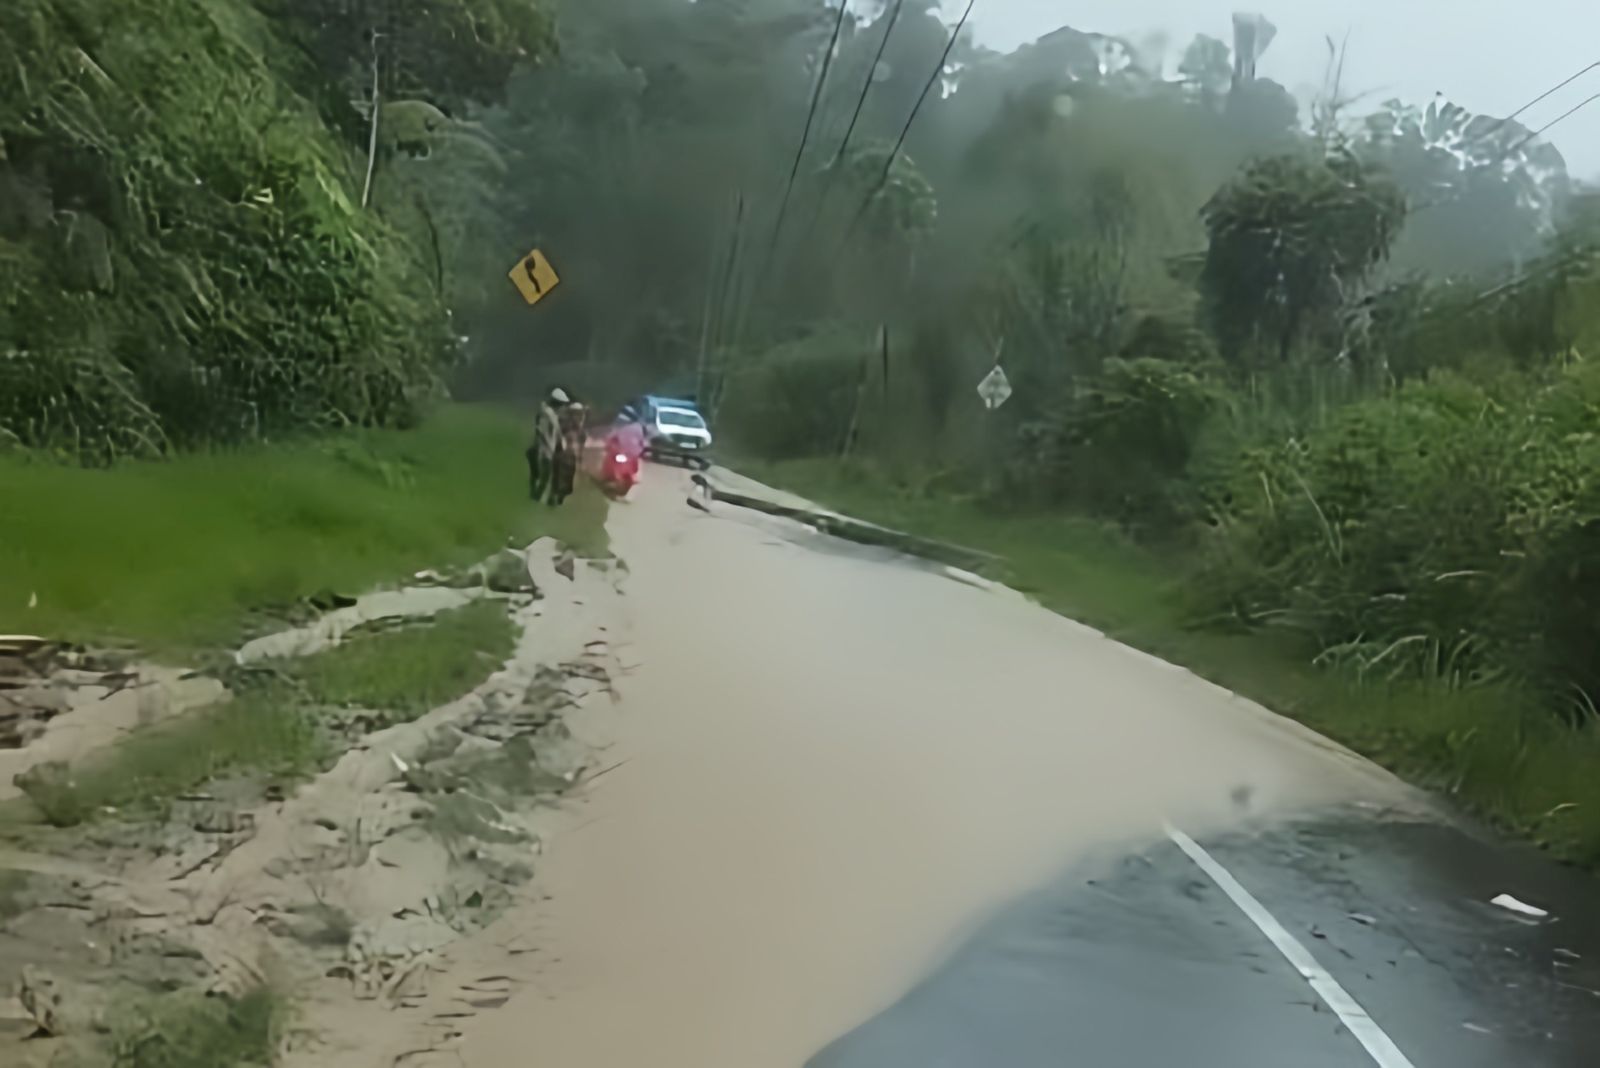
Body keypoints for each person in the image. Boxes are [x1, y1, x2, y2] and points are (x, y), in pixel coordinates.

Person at [528, 387, 570, 503]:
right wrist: (549, 447)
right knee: (544, 476)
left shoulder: (551, 414)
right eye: (562, 404)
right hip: (544, 450)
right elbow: (542, 431)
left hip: (548, 450)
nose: (563, 407)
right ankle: (535, 496)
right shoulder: (547, 414)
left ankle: (536, 496)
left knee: (545, 476)